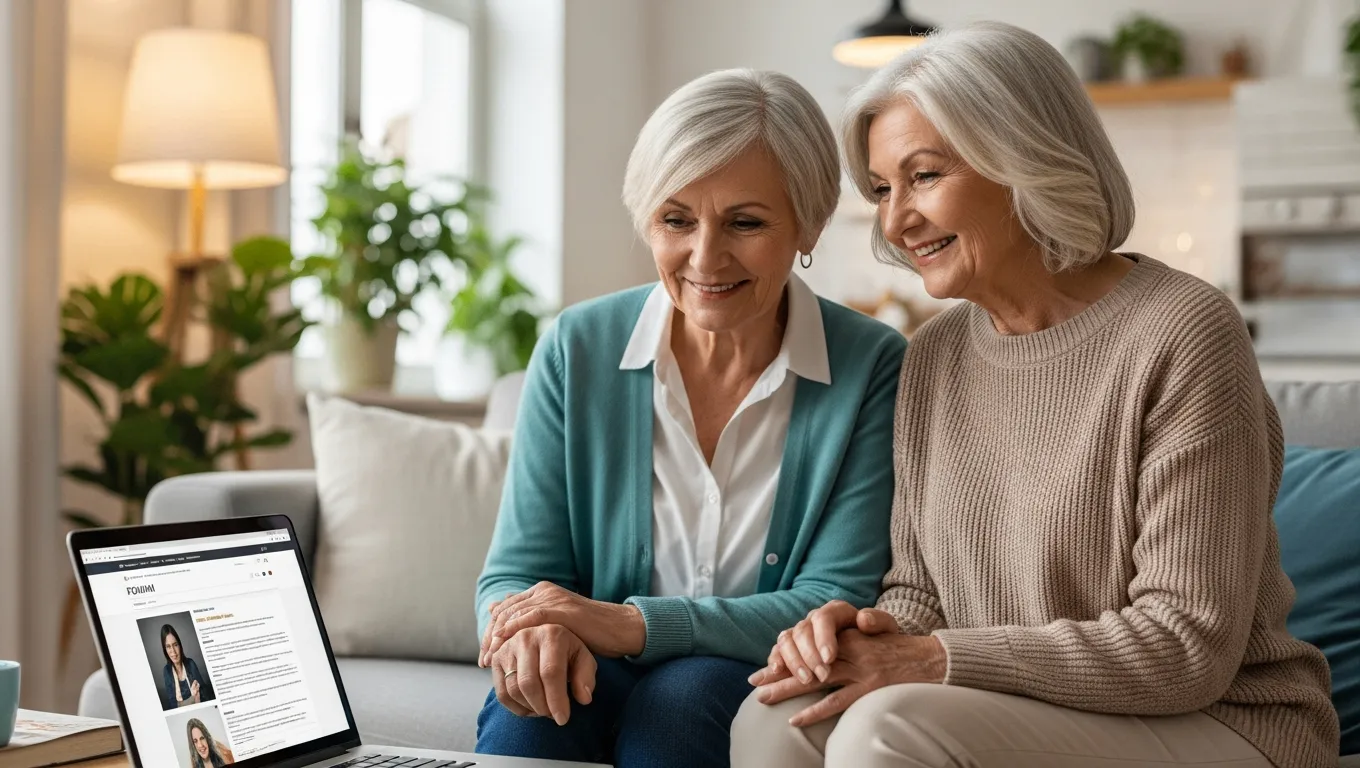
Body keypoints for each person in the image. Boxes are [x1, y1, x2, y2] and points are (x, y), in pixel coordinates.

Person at [734, 21, 1340, 768]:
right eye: (884, 189)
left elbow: (1187, 645)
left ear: (1020, 157)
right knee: (773, 719)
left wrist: (931, 661)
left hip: (1226, 722)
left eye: (924, 176)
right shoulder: (932, 357)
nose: (896, 221)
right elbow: (921, 594)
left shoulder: (1183, 330)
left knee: (885, 730)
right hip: (1014, 705)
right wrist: (871, 635)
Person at [473, 68, 908, 768]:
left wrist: (627, 624)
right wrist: (528, 634)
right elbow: (515, 573)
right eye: (676, 220)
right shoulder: (575, 347)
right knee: (534, 703)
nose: (705, 258)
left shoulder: (873, 365)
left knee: (682, 696)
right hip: (593, 664)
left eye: (746, 222)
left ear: (810, 222)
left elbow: (835, 595)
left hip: (741, 672)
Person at [159, 624, 211, 709]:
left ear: (180, 645)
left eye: (175, 645)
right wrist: (192, 698)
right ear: (165, 650)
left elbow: (205, 694)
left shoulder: (190, 664)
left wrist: (198, 694)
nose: (173, 652)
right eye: (168, 647)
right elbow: (173, 704)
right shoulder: (167, 671)